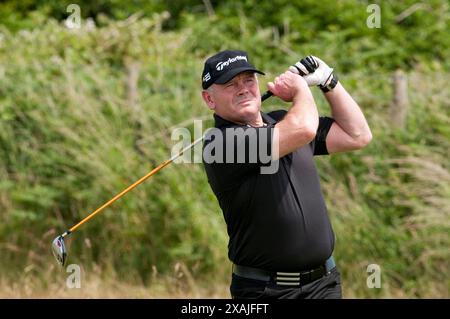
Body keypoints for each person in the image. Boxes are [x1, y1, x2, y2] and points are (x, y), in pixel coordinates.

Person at [200, 50, 372, 299]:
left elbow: (358, 135)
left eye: (249, 80)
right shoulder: (221, 144)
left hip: (324, 285)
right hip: (266, 291)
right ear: (209, 99)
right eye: (230, 85)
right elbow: (303, 129)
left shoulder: (282, 121)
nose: (243, 89)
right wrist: (301, 89)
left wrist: (328, 81)